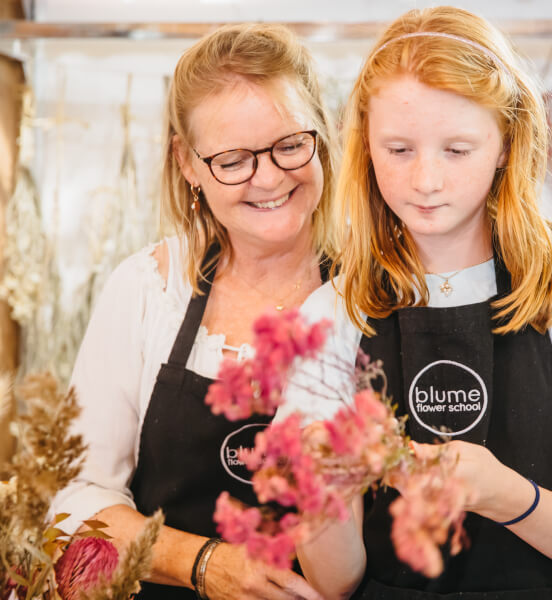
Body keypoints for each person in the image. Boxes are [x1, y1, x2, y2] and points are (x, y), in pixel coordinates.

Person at [281, 6, 552, 599]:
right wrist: (329, 494)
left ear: (506, 144)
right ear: (365, 148)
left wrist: (503, 495)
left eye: (457, 150)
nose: (426, 180)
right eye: (399, 150)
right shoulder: (332, 314)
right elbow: (334, 582)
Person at [50, 23, 338, 600]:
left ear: (323, 135)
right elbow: (73, 504)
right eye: (233, 160)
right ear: (188, 164)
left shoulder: (377, 291)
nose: (270, 177)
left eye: (289, 145)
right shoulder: (147, 290)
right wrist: (205, 564)